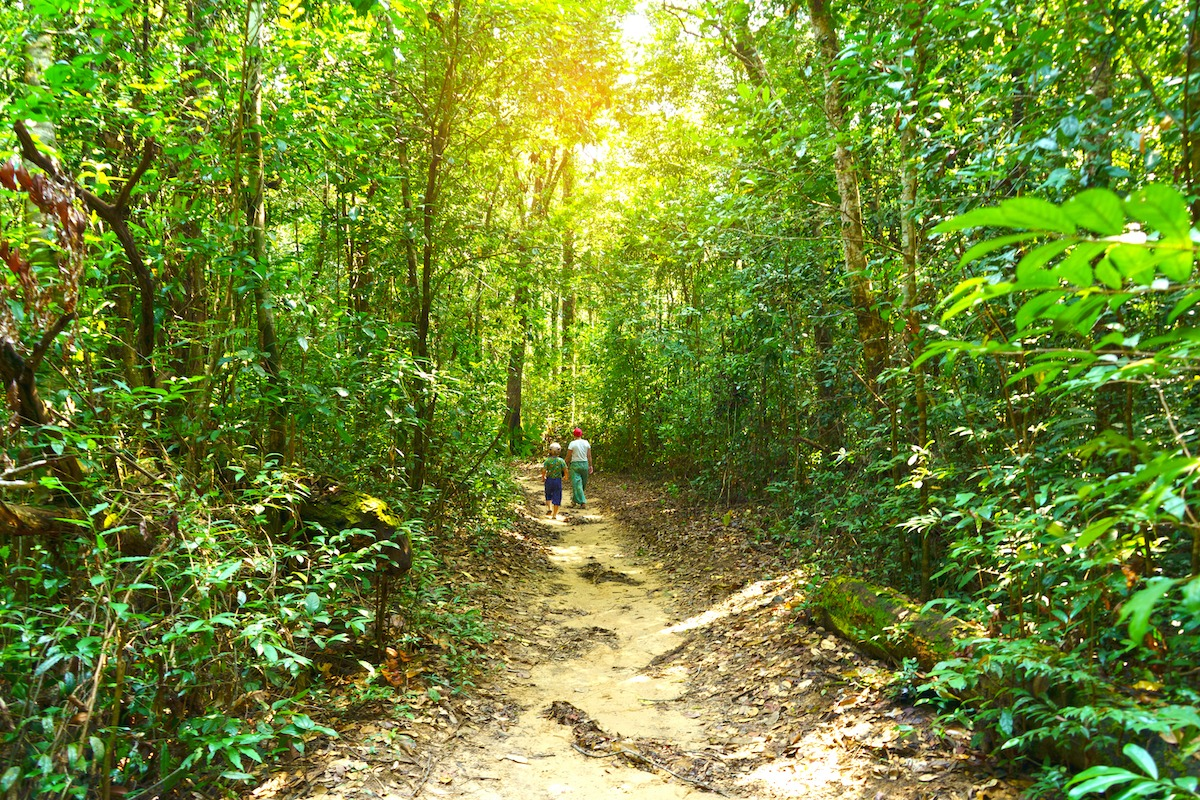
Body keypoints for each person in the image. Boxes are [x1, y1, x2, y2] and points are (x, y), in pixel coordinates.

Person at [566, 427, 592, 508]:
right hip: (585, 464)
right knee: (582, 484)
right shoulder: (586, 443)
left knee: (577, 484)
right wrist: (590, 465)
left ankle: (583, 502)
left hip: (575, 465)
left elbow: (568, 456)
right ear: (581, 434)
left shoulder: (572, 444)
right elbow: (589, 456)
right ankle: (574, 501)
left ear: (574, 435)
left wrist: (564, 464)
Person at [541, 443, 566, 519]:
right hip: (557, 481)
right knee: (557, 496)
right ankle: (554, 514)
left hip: (549, 480)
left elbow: (544, 470)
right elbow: (565, 469)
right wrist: (566, 476)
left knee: (548, 494)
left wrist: (543, 477)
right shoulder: (561, 461)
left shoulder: (547, 461)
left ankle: (549, 509)